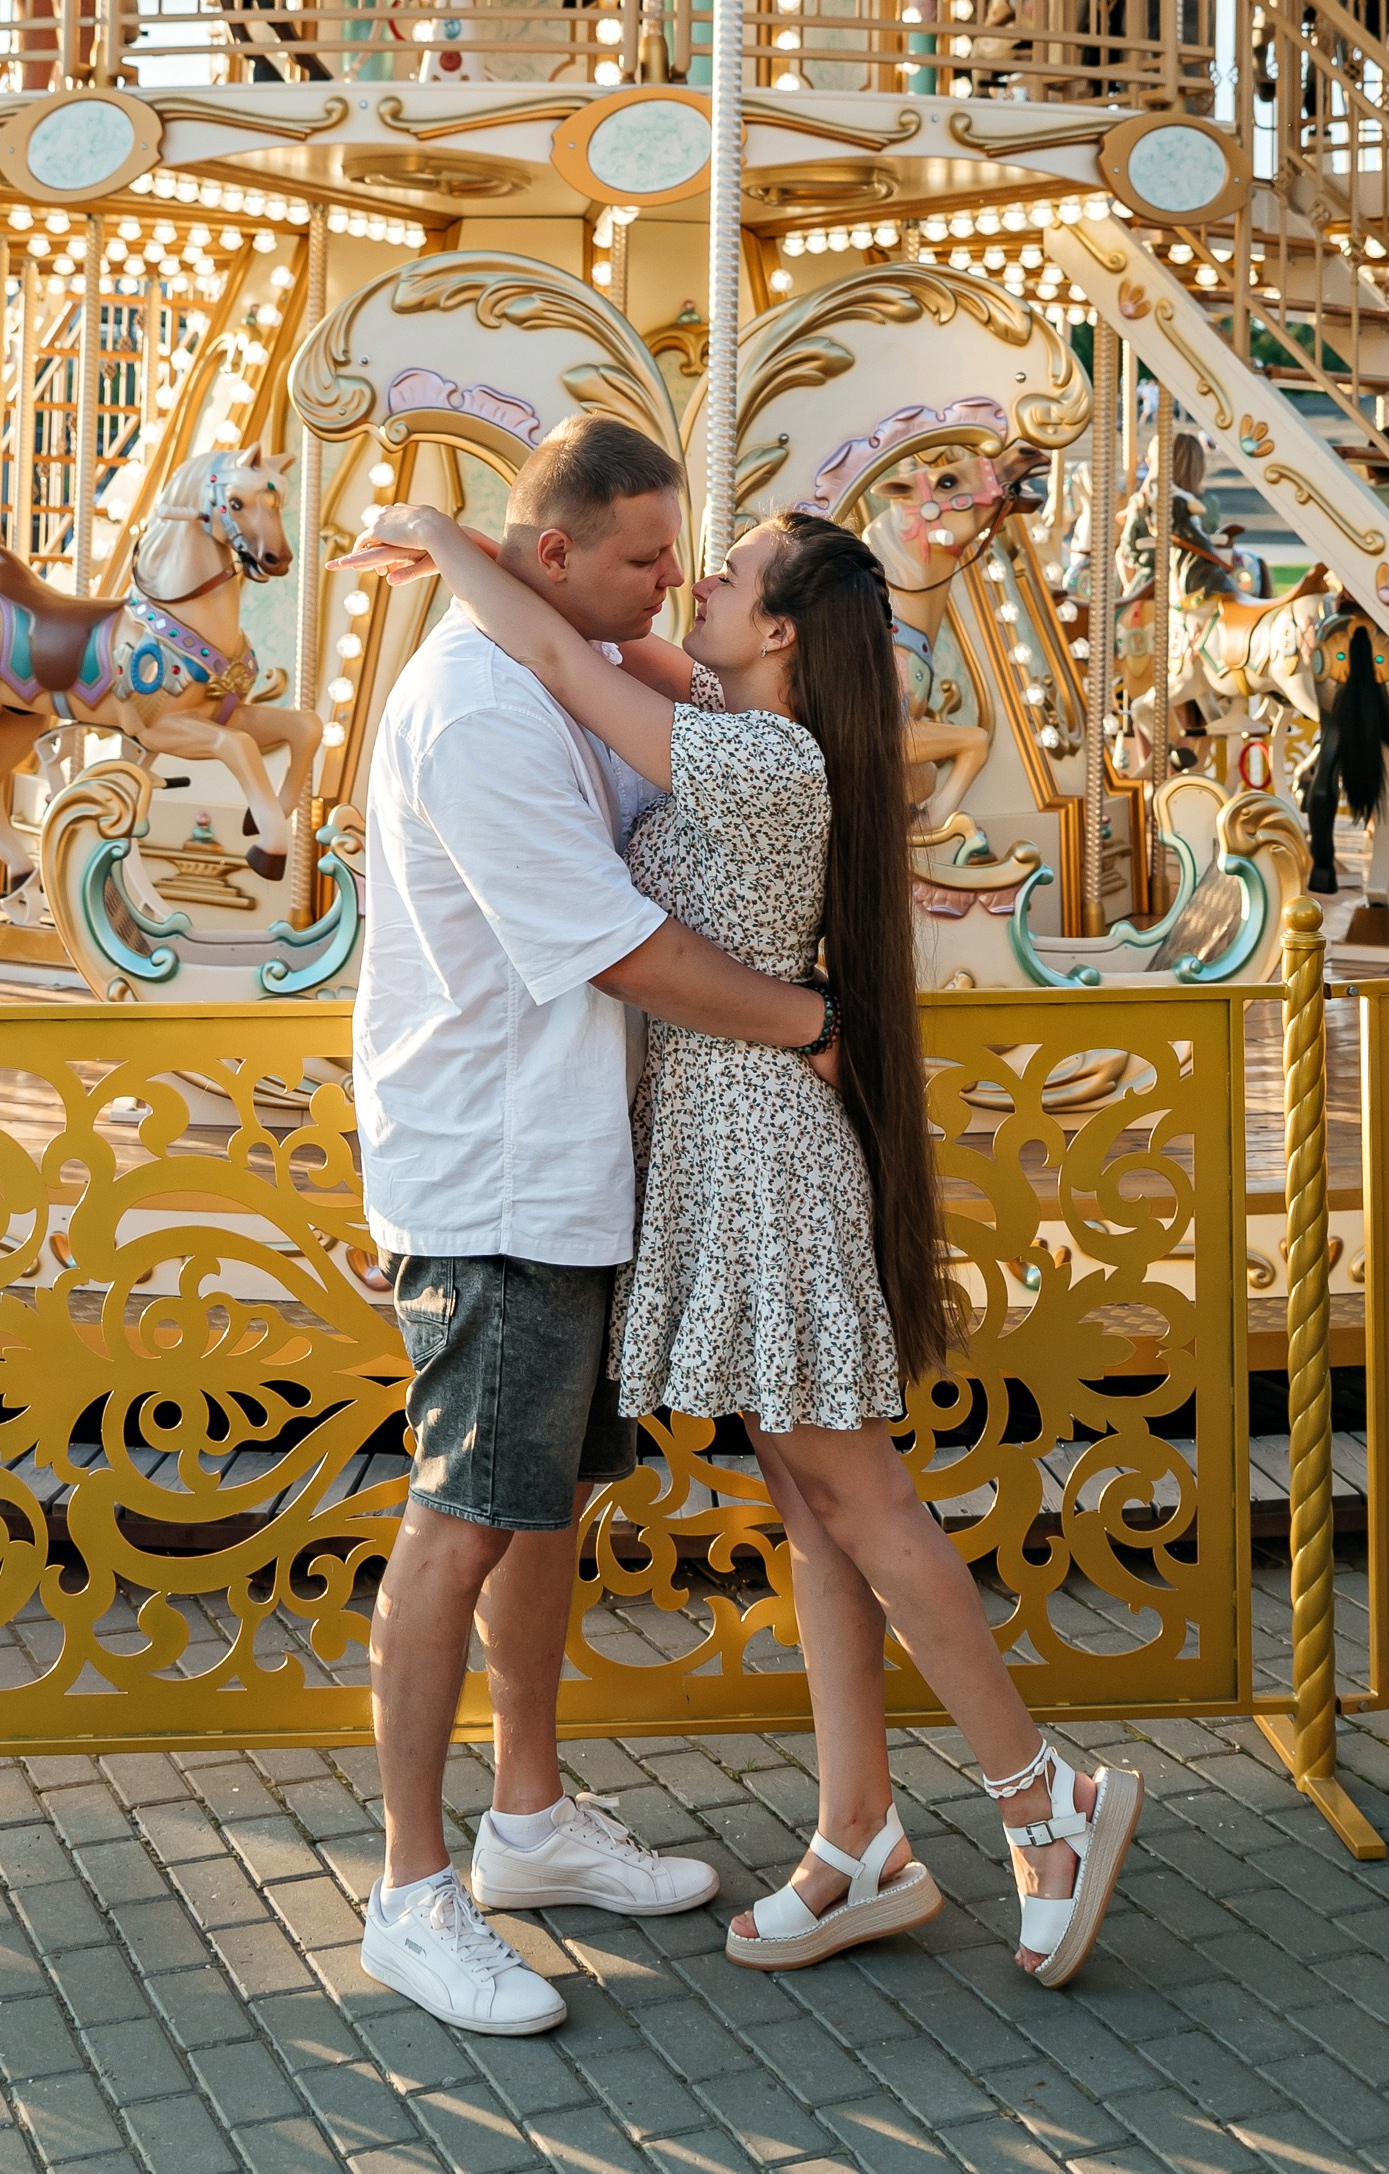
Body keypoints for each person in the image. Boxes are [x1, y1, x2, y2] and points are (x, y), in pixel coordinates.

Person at [352, 482, 1143, 1997]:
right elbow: (592, 636)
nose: (694, 582)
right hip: (713, 1151)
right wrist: (525, 561)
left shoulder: (762, 760)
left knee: (857, 1489)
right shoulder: (730, 719)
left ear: (780, 632)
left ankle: (1043, 1796)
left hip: (761, 1151)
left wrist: (446, 538)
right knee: (811, 1503)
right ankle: (860, 1837)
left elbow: (565, 651)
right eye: (675, 559)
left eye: (727, 574)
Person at [350, 415, 842, 2039]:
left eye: (684, 555)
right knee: (460, 1516)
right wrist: (803, 1019)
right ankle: (409, 1887)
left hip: (570, 1155)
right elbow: (614, 943)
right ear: (554, 552)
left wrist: (448, 540)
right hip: (498, 1163)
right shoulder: (480, 708)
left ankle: (530, 1814)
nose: (669, 581)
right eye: (643, 556)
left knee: (544, 1503)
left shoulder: (559, 663)